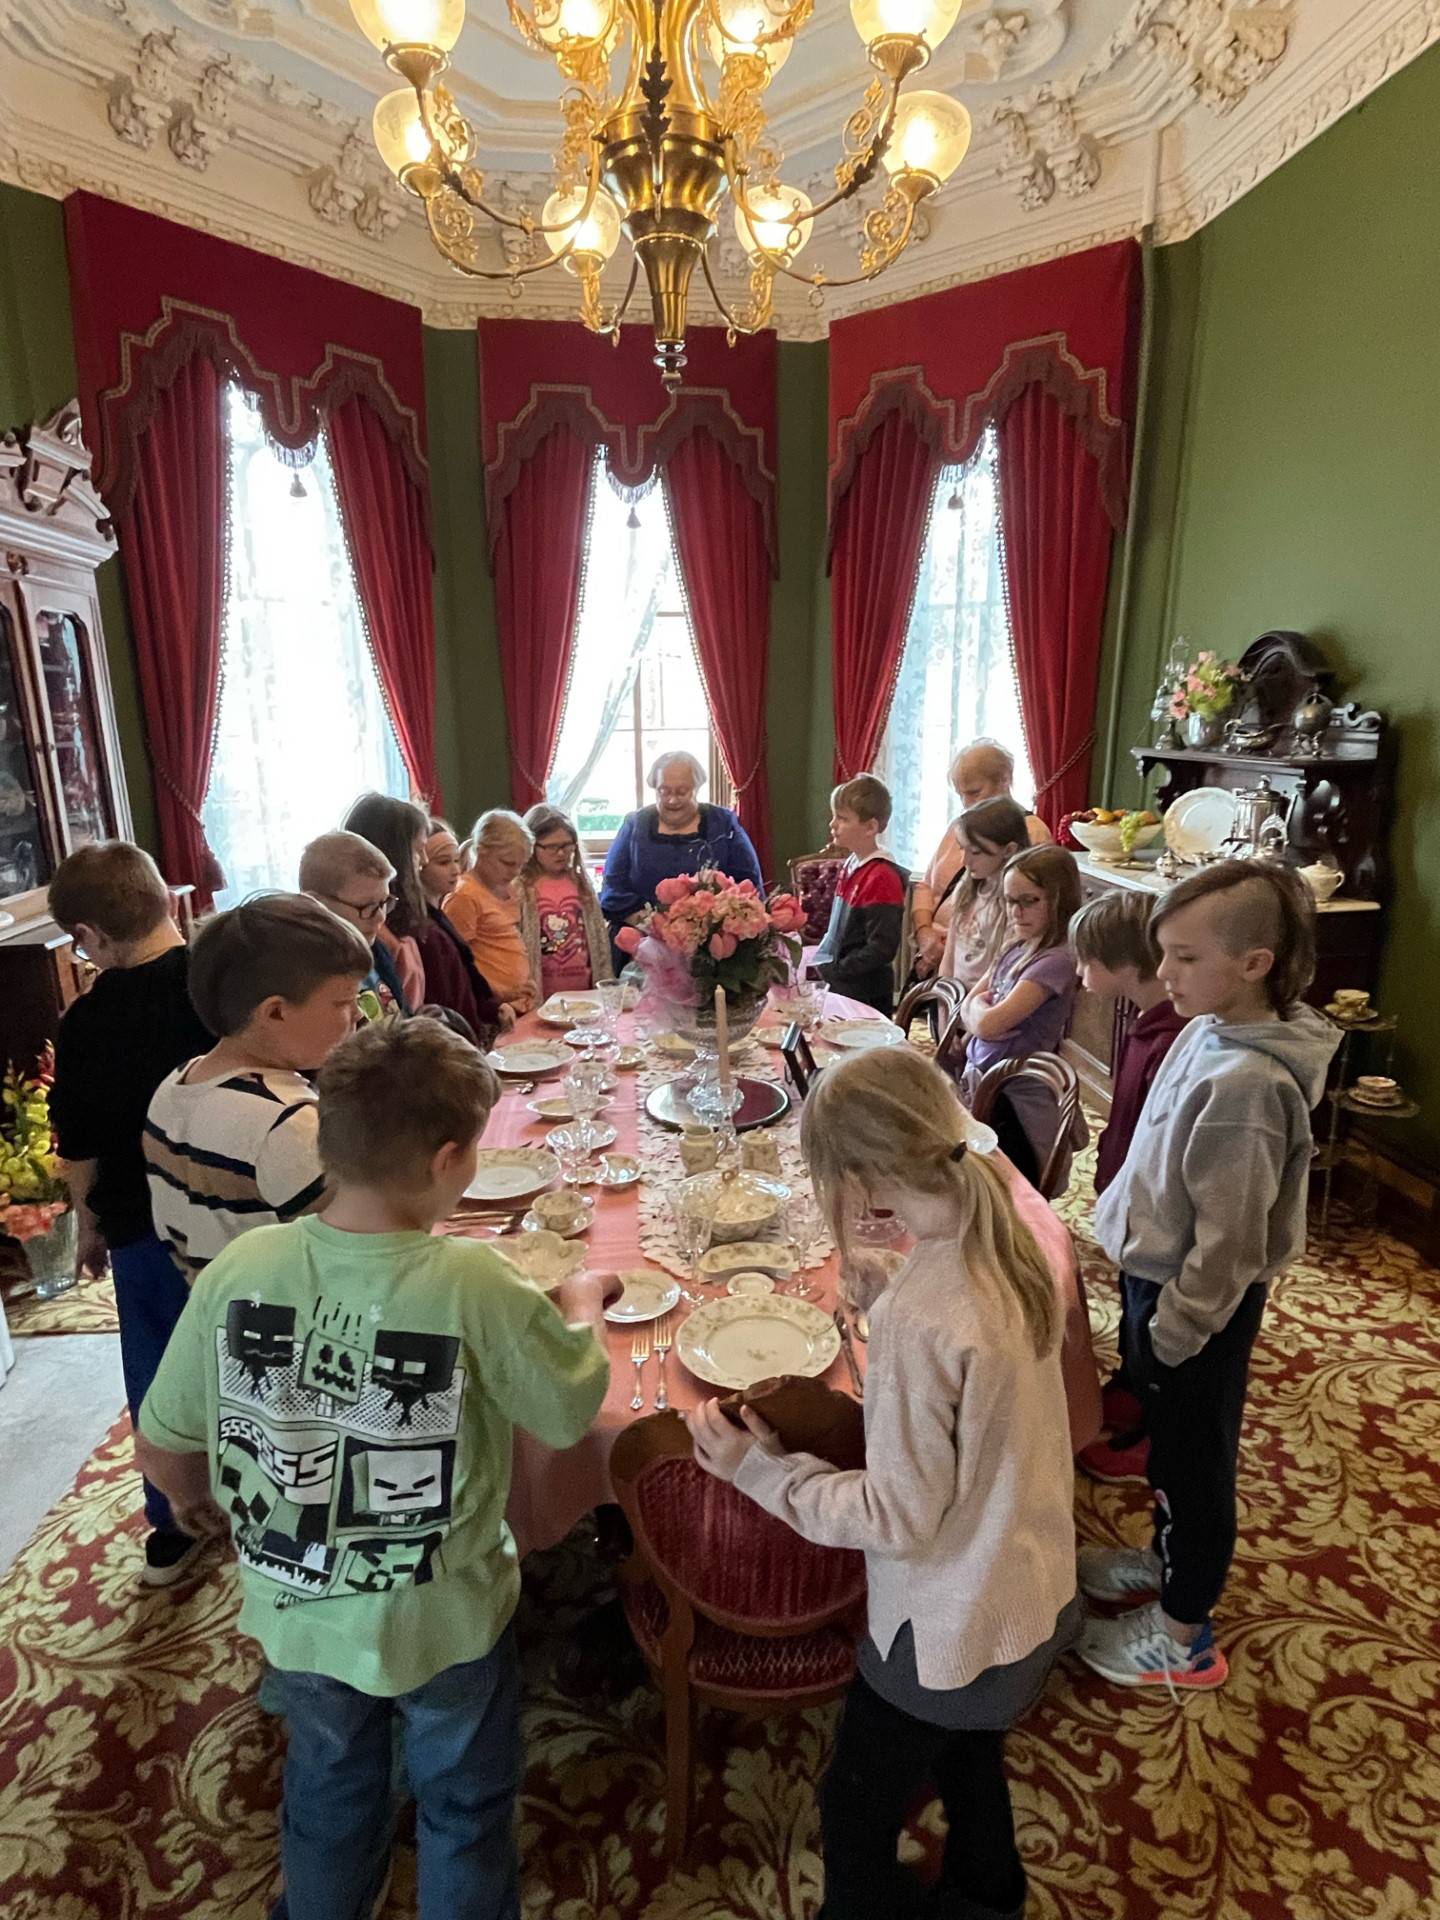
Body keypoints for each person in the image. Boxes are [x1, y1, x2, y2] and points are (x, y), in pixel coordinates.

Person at [134, 1016, 615, 1920]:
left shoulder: (244, 1264)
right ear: (448, 1162)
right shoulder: (472, 1280)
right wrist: (582, 1302)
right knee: (465, 1802)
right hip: (444, 1614)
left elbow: (163, 1438)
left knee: (325, 1786)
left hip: (297, 1609)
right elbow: (564, 1407)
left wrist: (193, 1496)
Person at [685, 1047, 1078, 1920]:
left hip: (945, 1617)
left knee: (855, 1805)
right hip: (1023, 1587)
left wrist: (760, 1471)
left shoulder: (924, 1315)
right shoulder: (999, 1236)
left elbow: (897, 1515)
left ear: (860, 1180)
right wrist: (891, 1296)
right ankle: (989, 1895)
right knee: (969, 1757)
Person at [1077, 861, 1337, 1691]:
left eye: (1185, 958)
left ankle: (1185, 1634)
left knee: (1196, 1465)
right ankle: (1162, 1560)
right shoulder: (1204, 1028)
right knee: (1164, 1443)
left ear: (1255, 962)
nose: (1165, 975)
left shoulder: (1249, 1087)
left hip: (1196, 1310)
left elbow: (1227, 1248)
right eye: (1164, 955)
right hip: (1158, 1285)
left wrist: (1172, 1334)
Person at [45, 841, 213, 1587]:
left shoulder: (84, 1022)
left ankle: (174, 1523)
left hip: (142, 1226)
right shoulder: (216, 986)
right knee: (253, 1359)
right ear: (167, 901)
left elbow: (78, 1143)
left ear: (89, 937)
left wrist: (86, 1224)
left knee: (158, 1373)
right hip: (233, 1218)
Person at [144, 893, 371, 1284]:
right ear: (275, 1012)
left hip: (216, 1316)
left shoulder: (175, 1085)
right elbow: (363, 1248)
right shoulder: (285, 1122)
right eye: (344, 1002)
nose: (359, 1015)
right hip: (294, 1328)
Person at [1067, 890, 1189, 1487]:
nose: (1080, 972)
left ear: (1123, 964)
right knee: (1133, 1298)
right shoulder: (1149, 1021)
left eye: (1087, 960)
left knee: (1152, 1308)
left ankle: (1150, 1434)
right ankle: (1131, 1386)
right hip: (1130, 1197)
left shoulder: (1171, 1038)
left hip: (1155, 1210)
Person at [958, 845, 1083, 1190]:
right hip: (987, 1081)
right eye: (1010, 900)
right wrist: (978, 1017)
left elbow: (988, 1023)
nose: (1016, 911)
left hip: (1019, 1098)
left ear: (1059, 899)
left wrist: (979, 1019)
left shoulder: (1056, 960)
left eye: (1029, 901)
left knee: (1012, 1184)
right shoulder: (1017, 946)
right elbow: (969, 1005)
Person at [599, 751, 763, 962]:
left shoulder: (722, 823)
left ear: (697, 788)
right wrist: (656, 926)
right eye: (664, 791)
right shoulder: (635, 825)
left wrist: (707, 926)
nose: (672, 799)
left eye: (682, 791)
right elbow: (612, 888)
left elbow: (749, 885)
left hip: (712, 948)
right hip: (642, 945)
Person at [912, 740, 1052, 979]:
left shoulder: (1032, 831)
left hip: (983, 962)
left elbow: (1025, 913)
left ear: (1005, 779)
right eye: (960, 795)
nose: (966, 803)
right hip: (941, 956)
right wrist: (925, 934)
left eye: (974, 792)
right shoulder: (958, 826)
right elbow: (926, 886)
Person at [812, 775, 908, 1016]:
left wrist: (838, 969)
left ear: (870, 827)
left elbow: (882, 947)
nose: (833, 824)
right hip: (844, 984)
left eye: (843, 818)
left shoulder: (881, 876)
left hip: (865, 991)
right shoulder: (851, 864)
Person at [417, 819, 507, 1044]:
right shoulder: (423, 931)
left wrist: (492, 1007)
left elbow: (467, 976)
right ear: (418, 866)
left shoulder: (437, 915)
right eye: (443, 862)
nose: (456, 870)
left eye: (456, 860)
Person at [299, 830, 408, 1017]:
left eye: (384, 903)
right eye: (367, 906)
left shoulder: (376, 951)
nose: (381, 917)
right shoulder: (309, 979)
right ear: (316, 904)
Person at [444, 810, 537, 1019]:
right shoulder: (465, 896)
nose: (515, 872)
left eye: (521, 865)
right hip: (491, 1011)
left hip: (519, 1006)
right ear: (481, 850)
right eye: (507, 863)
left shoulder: (510, 889)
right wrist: (498, 993)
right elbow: (457, 965)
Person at [341, 793, 430, 1011]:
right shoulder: (374, 936)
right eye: (418, 851)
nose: (425, 860)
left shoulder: (399, 921)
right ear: (394, 855)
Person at [516, 804, 613, 1001]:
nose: (561, 853)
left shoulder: (581, 884)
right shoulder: (522, 889)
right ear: (532, 846)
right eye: (552, 846)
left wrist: (604, 984)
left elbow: (600, 942)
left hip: (585, 993)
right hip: (542, 995)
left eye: (567, 845)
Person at [938, 796, 1030, 988]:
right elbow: (949, 958)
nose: (965, 861)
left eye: (976, 852)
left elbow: (1002, 968)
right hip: (954, 1001)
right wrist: (944, 1000)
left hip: (984, 1004)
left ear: (1009, 849)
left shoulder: (1013, 903)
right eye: (963, 849)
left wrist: (974, 1009)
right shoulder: (966, 888)